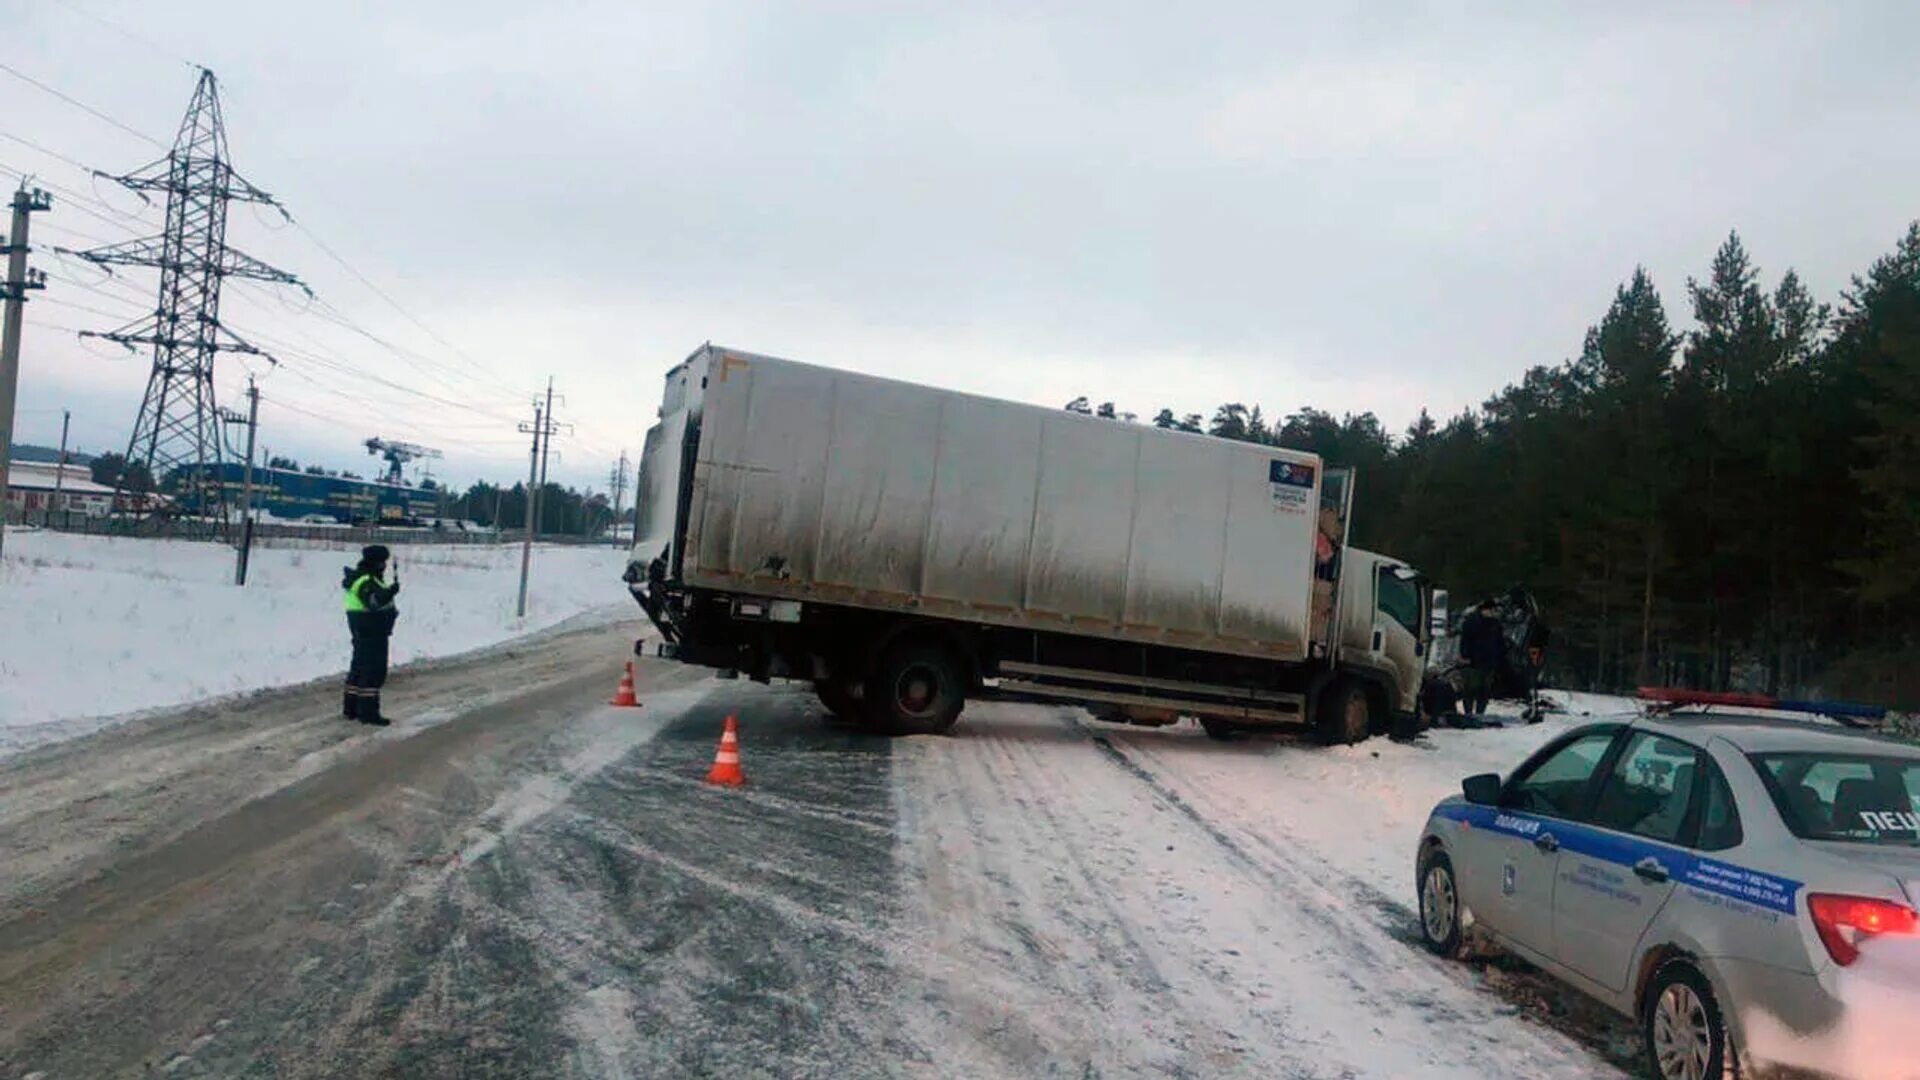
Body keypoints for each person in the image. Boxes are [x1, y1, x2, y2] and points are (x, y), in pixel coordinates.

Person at [342, 544, 400, 726]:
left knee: (358, 669)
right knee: (373, 671)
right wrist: (391, 591)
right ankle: (368, 712)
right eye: (383, 562)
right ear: (377, 562)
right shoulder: (366, 580)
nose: (385, 565)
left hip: (364, 629)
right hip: (372, 631)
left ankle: (351, 708)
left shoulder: (362, 578)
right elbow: (374, 602)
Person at [1458, 598, 1507, 718]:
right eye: (1491, 610)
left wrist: (1500, 657)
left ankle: (1480, 713)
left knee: (1484, 689)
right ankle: (1468, 712)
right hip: (1473, 662)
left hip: (1489, 662)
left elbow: (1499, 643)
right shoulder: (1471, 622)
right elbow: (1465, 641)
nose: (1493, 612)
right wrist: (1465, 656)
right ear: (1485, 610)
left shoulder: (1495, 624)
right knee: (1471, 688)